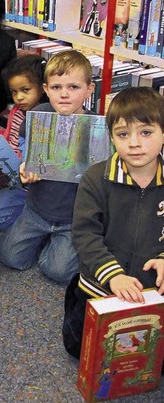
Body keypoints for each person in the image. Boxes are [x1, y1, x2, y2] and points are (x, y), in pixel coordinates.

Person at [62, 87, 164, 359]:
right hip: (100, 284)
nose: (134, 142)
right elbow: (85, 234)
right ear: (111, 139)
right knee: (80, 348)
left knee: (150, 358)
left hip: (152, 289)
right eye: (123, 134)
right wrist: (114, 276)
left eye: (146, 132)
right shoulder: (96, 178)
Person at [0, 50, 96, 284]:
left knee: (59, 272)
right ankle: (47, 241)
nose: (64, 94)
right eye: (56, 87)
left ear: (89, 90)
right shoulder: (38, 114)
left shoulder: (96, 127)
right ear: (45, 89)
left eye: (73, 87)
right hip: (36, 210)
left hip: (72, 218)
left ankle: (56, 244)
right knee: (9, 257)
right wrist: (24, 169)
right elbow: (26, 154)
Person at [0, 55, 47, 230]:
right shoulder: (17, 112)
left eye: (25, 90)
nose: (18, 97)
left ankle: (30, 212)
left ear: (43, 88)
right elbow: (8, 136)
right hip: (8, 172)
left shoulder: (44, 118)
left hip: (27, 183)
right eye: (14, 92)